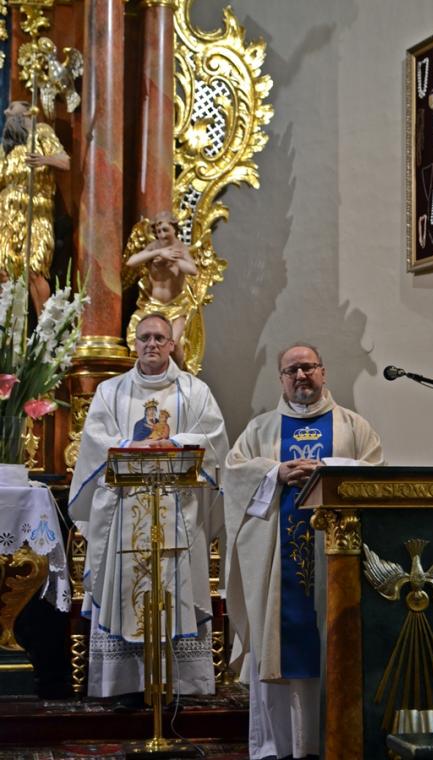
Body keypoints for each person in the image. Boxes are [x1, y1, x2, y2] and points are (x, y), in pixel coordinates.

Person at [223, 343, 384, 760]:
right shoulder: (261, 430)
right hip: (279, 572)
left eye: (308, 367)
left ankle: (335, 741)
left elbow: (377, 477)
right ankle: (279, 747)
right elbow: (233, 475)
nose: (300, 376)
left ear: (323, 372)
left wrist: (328, 470)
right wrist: (275, 473)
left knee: (334, 641)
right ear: (281, 378)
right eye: (291, 370)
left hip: (337, 563)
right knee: (282, 642)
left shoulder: (353, 427)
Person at [69, 313, 228, 706]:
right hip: (123, 511)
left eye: (159, 338)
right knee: (125, 590)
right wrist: (130, 445)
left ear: (172, 344)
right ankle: (124, 684)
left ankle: (178, 684)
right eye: (144, 338)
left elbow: (213, 438)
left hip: (178, 513)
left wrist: (174, 442)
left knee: (176, 589)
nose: (152, 344)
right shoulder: (110, 391)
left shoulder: (195, 391)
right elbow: (95, 441)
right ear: (134, 344)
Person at [0, 100, 70, 315]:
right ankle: (7, 328)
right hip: (6, 213)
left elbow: (65, 162)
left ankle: (45, 328)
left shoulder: (42, 131)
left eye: (11, 109)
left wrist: (43, 160)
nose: (6, 112)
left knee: (33, 269)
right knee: (3, 271)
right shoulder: (7, 146)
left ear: (27, 112)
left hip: (36, 209)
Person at [126, 211, 198, 367]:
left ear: (174, 229)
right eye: (158, 231)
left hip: (176, 306)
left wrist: (174, 259)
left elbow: (193, 270)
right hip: (152, 306)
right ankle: (144, 374)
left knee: (173, 344)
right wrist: (158, 252)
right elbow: (131, 262)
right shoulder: (153, 247)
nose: (162, 234)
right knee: (138, 338)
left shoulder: (180, 248)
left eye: (166, 230)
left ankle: (179, 375)